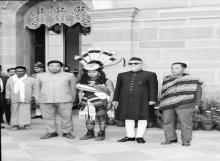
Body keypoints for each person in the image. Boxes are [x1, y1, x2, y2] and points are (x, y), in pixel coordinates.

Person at [74, 49, 123, 141]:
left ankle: (101, 134)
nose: (91, 73)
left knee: (101, 118)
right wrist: (81, 101)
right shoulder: (83, 81)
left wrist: (110, 102)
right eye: (89, 71)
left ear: (99, 71)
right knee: (89, 118)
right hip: (87, 102)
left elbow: (112, 92)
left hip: (101, 102)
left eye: (94, 71)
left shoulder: (106, 81)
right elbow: (80, 92)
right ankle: (90, 133)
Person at [113, 57, 158, 144]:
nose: (133, 65)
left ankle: (139, 136)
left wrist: (153, 99)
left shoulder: (150, 74)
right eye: (131, 63)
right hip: (125, 100)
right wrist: (115, 99)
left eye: (135, 63)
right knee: (128, 117)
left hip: (143, 100)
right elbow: (117, 88)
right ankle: (130, 136)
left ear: (141, 64)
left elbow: (153, 88)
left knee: (143, 117)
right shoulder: (121, 75)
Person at [159, 62, 202, 146]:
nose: (174, 70)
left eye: (177, 68)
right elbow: (164, 92)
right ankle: (170, 139)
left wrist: (197, 104)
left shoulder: (192, 79)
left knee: (185, 122)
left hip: (184, 103)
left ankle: (186, 140)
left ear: (184, 69)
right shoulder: (166, 79)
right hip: (168, 104)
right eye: (172, 68)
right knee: (167, 121)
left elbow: (198, 92)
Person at [35, 60, 77, 139]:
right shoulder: (40, 76)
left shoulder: (69, 75)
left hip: (65, 99)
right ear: (47, 67)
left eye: (57, 66)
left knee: (66, 116)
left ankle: (67, 132)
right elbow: (36, 88)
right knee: (48, 117)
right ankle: (51, 132)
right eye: (52, 66)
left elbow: (73, 87)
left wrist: (73, 98)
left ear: (61, 67)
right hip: (46, 99)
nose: (54, 68)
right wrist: (37, 98)